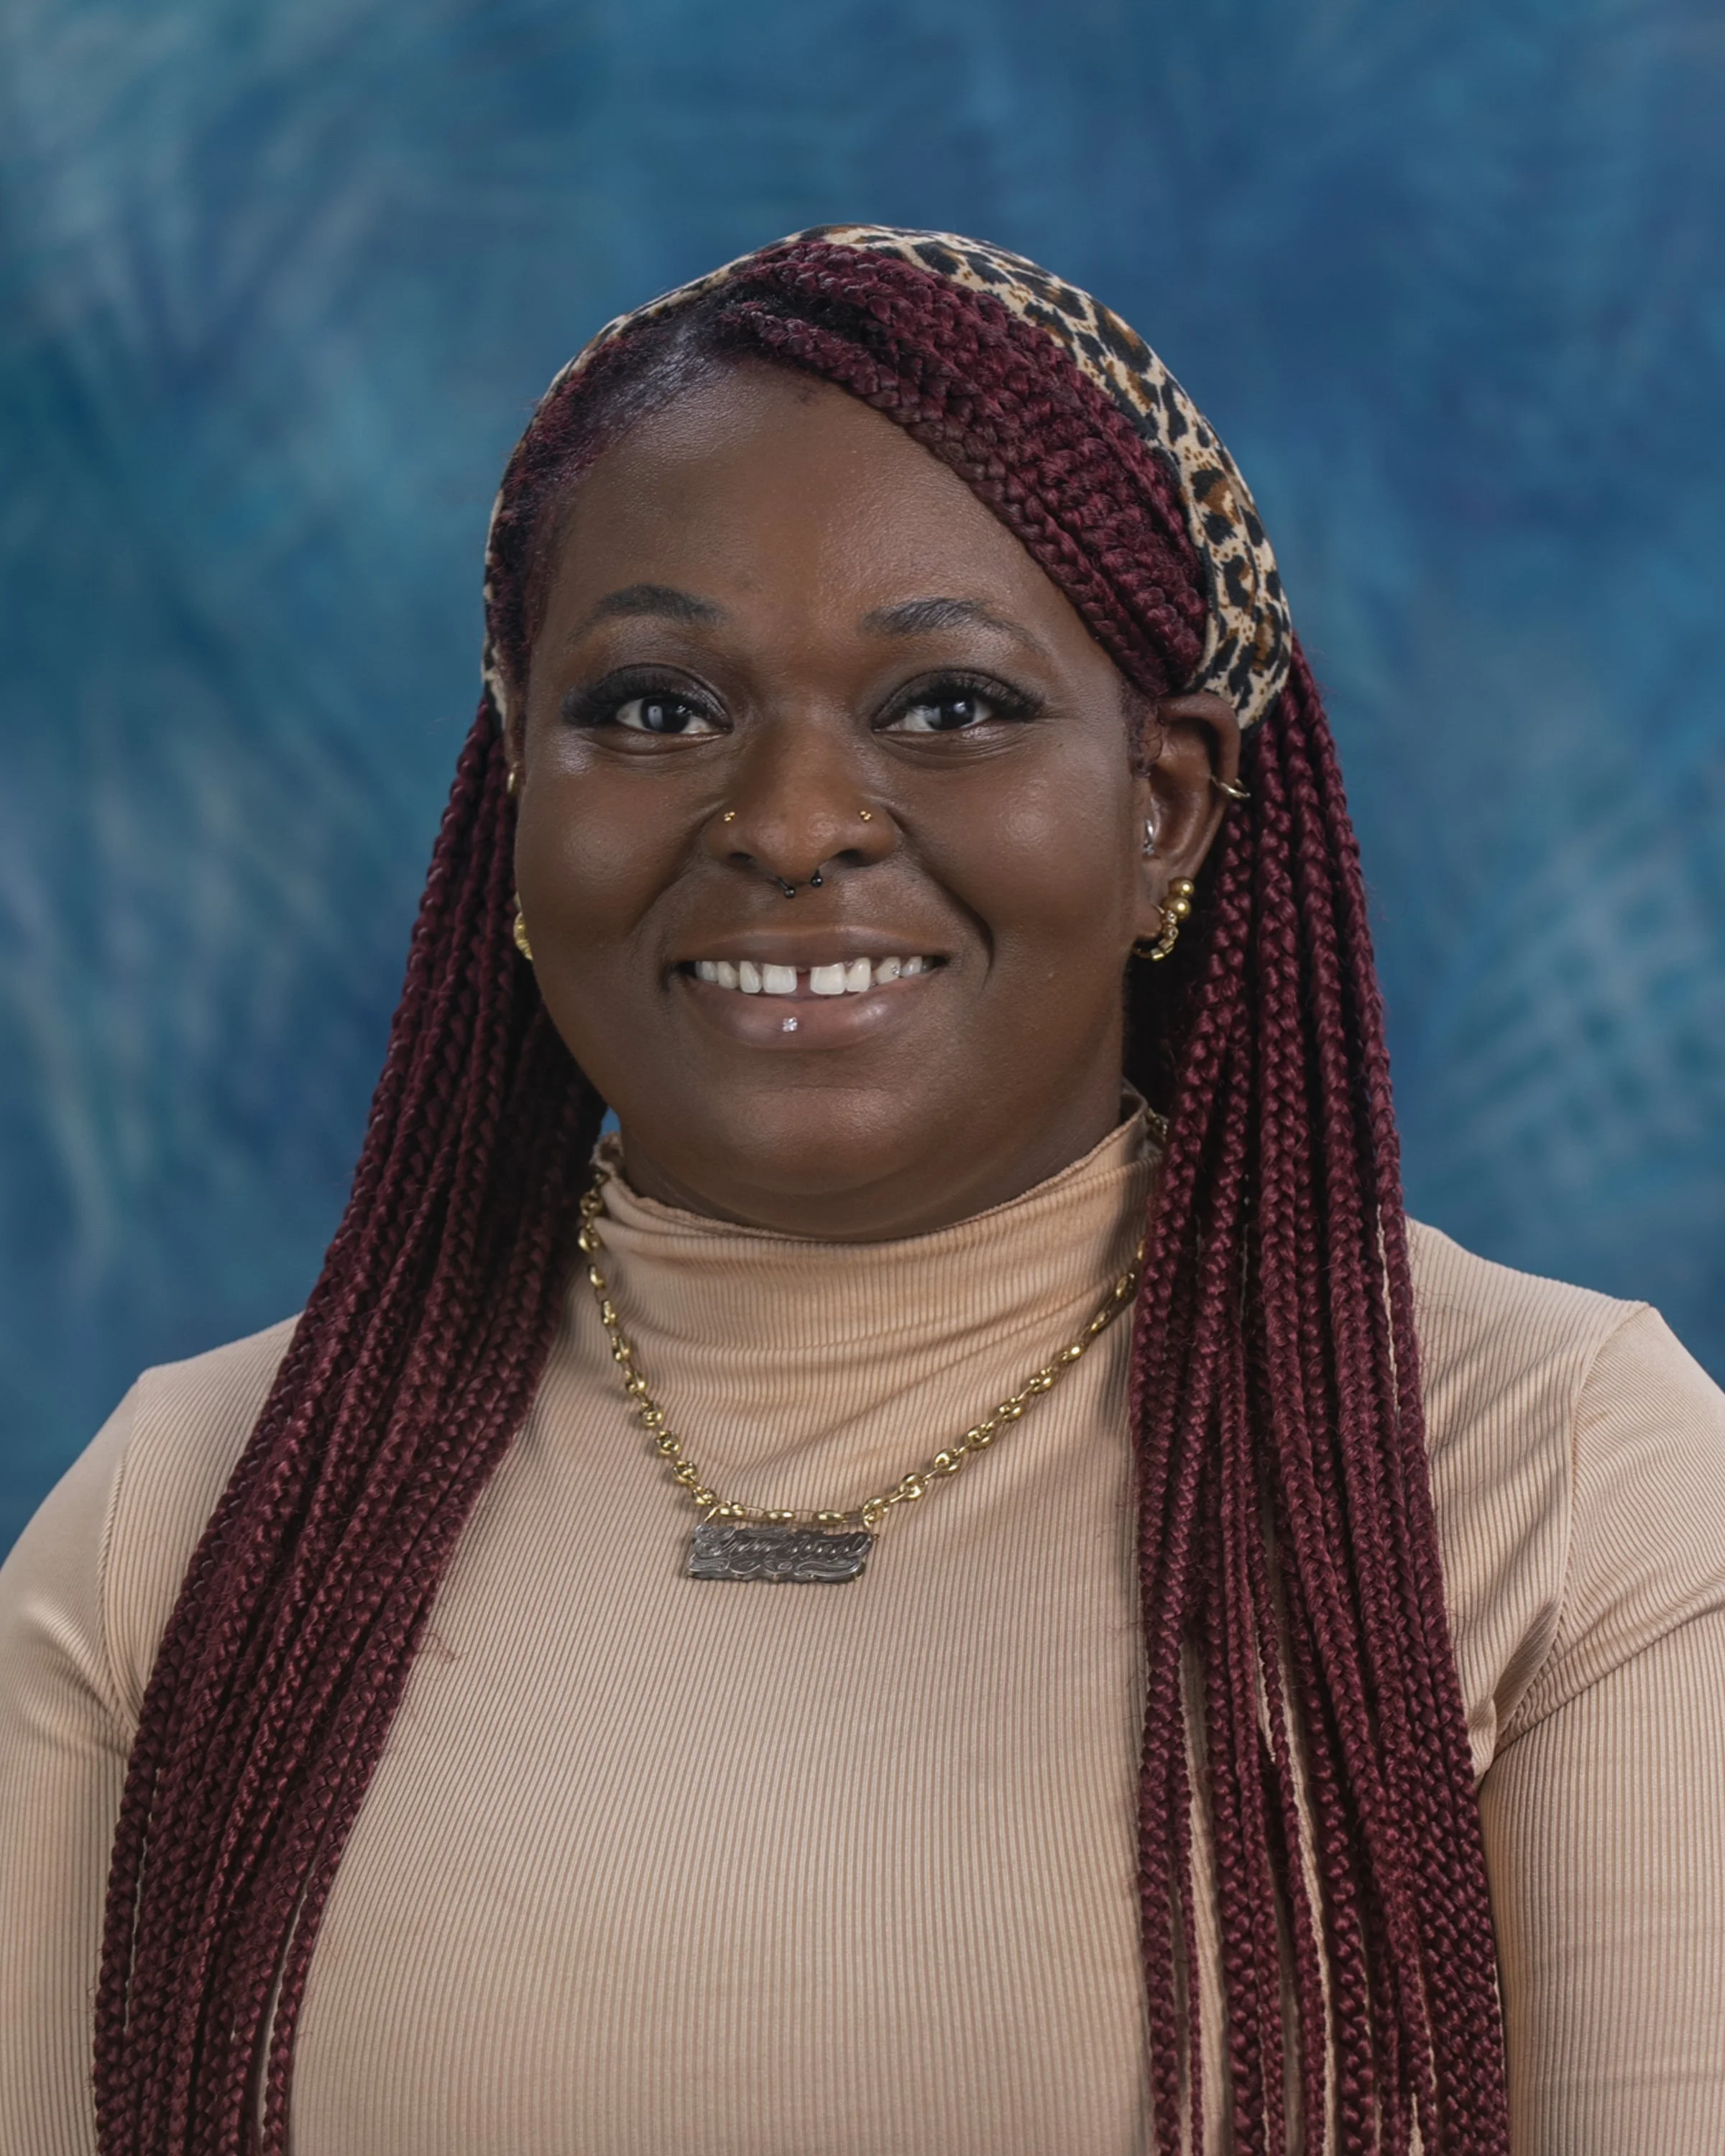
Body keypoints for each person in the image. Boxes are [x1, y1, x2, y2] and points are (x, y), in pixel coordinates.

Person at [1, 226, 1721, 2156]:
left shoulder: (1547, 1480)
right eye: (656, 709)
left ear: (1163, 802)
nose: (794, 823)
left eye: (948, 709)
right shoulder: (197, 1515)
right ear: (517, 799)